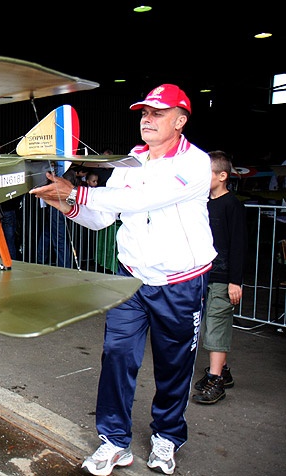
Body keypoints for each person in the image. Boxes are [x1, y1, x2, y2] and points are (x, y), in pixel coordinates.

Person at [31, 84, 215, 475]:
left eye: (158, 113)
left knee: (174, 365)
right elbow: (102, 218)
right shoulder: (130, 161)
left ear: (180, 121)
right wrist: (65, 204)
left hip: (180, 282)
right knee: (116, 356)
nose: (147, 119)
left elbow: (142, 199)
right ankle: (114, 441)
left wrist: (78, 193)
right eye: (144, 113)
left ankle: (167, 436)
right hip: (130, 277)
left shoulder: (196, 163)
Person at [192, 151, 247, 404]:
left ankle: (216, 380)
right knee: (208, 324)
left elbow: (239, 245)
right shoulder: (203, 202)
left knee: (216, 325)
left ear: (222, 176)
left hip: (224, 277)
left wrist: (235, 281)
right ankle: (221, 370)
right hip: (206, 273)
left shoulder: (232, 205)